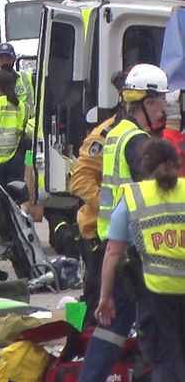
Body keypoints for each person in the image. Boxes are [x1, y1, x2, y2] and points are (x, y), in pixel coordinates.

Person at [78, 63, 169, 382]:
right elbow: (157, 190)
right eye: (161, 103)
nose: (164, 110)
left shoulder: (116, 132)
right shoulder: (137, 142)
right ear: (146, 102)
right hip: (132, 249)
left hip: (114, 242)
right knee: (155, 322)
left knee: (116, 325)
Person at [96, 138, 185, 382]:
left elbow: (113, 252)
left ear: (144, 166)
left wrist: (105, 297)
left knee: (167, 364)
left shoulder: (134, 198)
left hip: (155, 295)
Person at [70, 69, 129, 327]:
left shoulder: (145, 135)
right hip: (98, 233)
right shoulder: (102, 136)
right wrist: (114, 209)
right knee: (97, 302)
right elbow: (80, 181)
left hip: (129, 234)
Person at [0, 43, 35, 119]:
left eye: (8, 58)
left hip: (27, 129)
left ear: (14, 59)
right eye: (1, 58)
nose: (5, 61)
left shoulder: (28, 79)